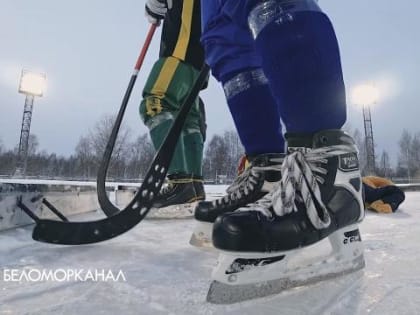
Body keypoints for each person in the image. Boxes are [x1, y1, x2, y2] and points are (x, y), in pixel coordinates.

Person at [140, 0, 207, 216]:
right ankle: (192, 186)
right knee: (187, 119)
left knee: (155, 101)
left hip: (181, 44)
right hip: (197, 59)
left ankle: (180, 181)